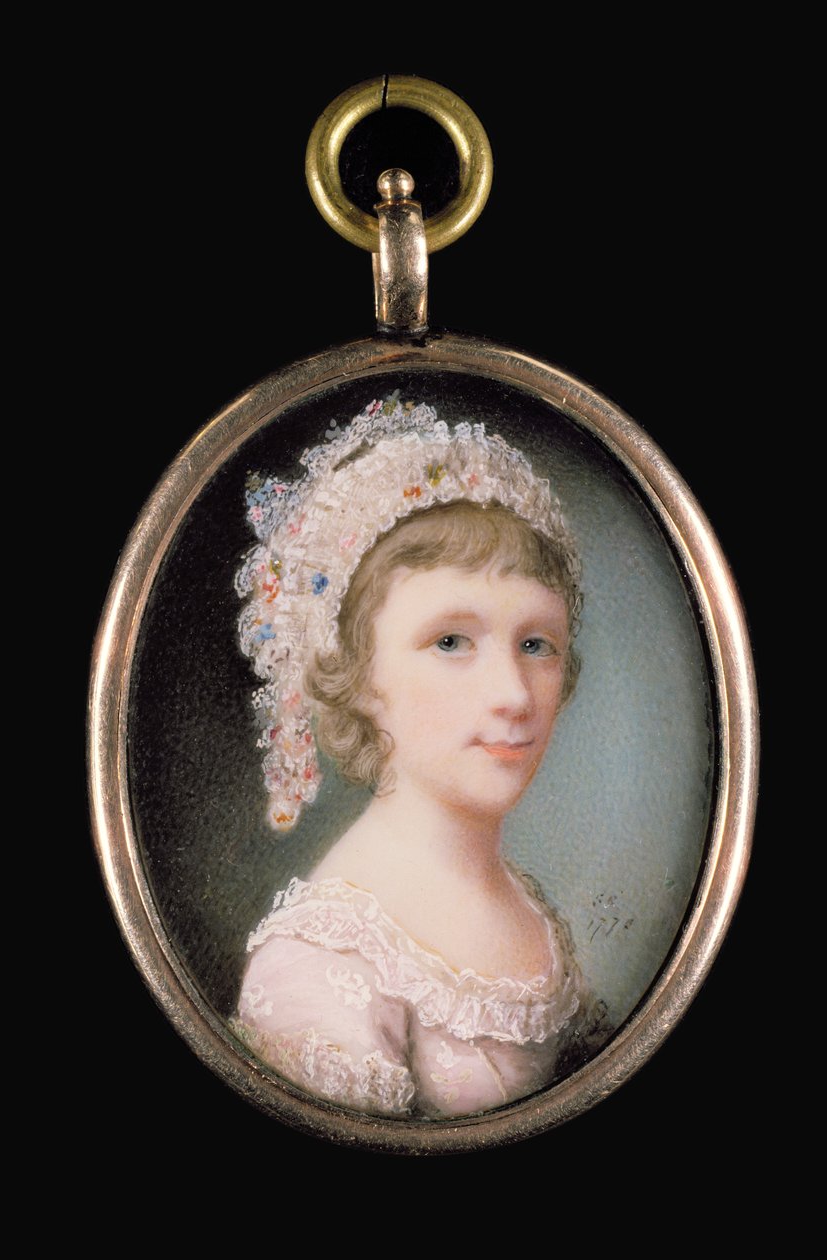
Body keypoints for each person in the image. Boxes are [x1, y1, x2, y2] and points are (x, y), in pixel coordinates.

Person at [231, 395, 608, 1119]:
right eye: (451, 642)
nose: (514, 695)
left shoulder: (526, 905)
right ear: (358, 674)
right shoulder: (322, 962)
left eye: (537, 644)